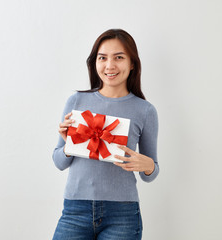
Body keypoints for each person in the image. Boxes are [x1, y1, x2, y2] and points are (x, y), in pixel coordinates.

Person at [52, 29, 159, 240]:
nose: (110, 65)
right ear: (95, 63)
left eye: (119, 57)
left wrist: (148, 166)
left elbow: (151, 173)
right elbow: (59, 162)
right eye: (103, 58)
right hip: (75, 210)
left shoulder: (145, 110)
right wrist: (68, 145)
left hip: (123, 215)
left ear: (132, 64)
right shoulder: (76, 102)